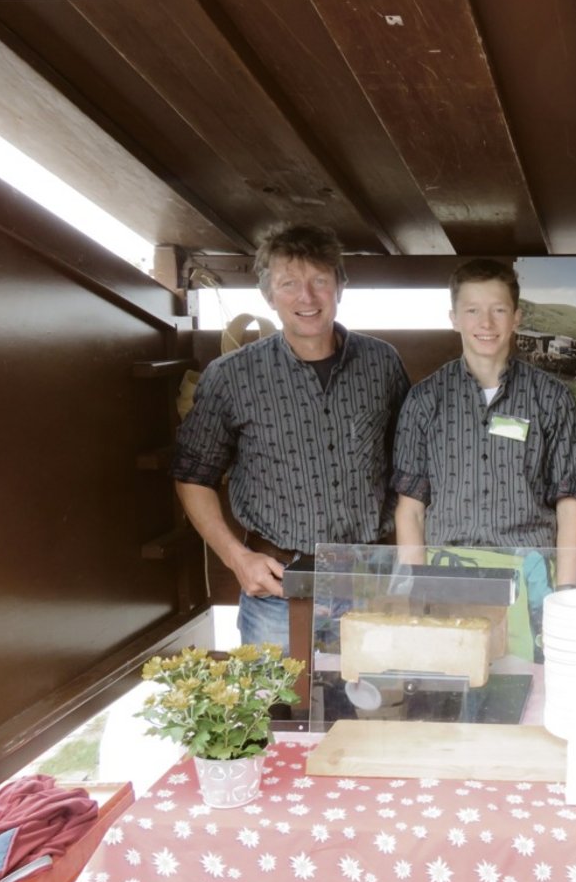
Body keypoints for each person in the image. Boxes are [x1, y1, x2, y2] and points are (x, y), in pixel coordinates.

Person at [171, 224, 411, 649]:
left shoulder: (382, 364)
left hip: (371, 585)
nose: (307, 297)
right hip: (276, 591)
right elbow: (193, 475)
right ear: (268, 295)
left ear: (340, 286)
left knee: (377, 711)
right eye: (289, 284)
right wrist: (237, 558)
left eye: (320, 280)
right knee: (275, 713)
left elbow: (411, 468)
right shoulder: (230, 376)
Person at [392, 259, 576, 586]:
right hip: (445, 571)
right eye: (472, 311)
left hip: (529, 571)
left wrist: (565, 591)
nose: (486, 322)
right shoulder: (424, 399)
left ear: (516, 318)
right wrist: (415, 584)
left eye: (498, 310)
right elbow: (411, 508)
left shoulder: (552, 398)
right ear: (453, 319)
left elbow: (570, 503)